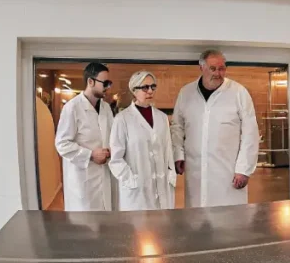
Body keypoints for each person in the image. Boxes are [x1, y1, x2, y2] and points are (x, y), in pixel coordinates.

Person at [171, 49, 260, 207]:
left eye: (222, 68)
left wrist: (244, 169)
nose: (218, 73)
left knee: (229, 222)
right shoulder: (186, 93)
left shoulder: (238, 93)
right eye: (213, 68)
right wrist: (178, 154)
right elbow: (177, 126)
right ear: (201, 68)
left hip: (229, 173)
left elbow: (250, 133)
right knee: (196, 220)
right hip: (195, 171)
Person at [109, 71, 176, 211]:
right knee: (138, 229)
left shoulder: (162, 117)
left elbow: (168, 150)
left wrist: (171, 173)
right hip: (137, 189)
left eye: (153, 86)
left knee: (162, 227)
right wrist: (131, 180)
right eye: (145, 87)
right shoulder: (122, 119)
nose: (150, 91)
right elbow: (116, 159)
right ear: (134, 90)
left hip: (161, 185)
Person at [54, 62, 116, 211]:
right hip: (83, 179)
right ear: (90, 81)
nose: (108, 87)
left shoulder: (106, 107)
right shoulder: (72, 108)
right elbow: (62, 144)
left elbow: (112, 135)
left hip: (104, 174)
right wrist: (90, 154)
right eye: (105, 83)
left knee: (105, 222)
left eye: (109, 83)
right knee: (85, 226)